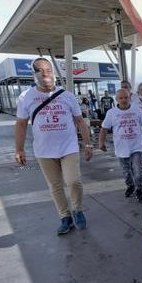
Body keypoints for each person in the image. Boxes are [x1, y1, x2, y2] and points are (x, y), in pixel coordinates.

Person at [14, 57, 93, 235]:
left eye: (48, 70)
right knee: (55, 185)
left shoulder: (67, 96)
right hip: (43, 150)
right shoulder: (26, 97)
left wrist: (88, 143)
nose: (45, 74)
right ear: (34, 74)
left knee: (73, 181)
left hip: (68, 147)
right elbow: (20, 124)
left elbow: (80, 121)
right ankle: (65, 218)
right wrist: (19, 149)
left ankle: (78, 209)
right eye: (41, 70)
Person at [98, 89, 142, 202]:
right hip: (121, 147)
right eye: (121, 98)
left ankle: (139, 189)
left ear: (129, 98)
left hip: (136, 146)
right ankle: (130, 186)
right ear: (116, 99)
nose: (124, 100)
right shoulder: (111, 113)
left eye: (126, 97)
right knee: (126, 171)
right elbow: (104, 129)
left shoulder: (137, 110)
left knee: (138, 171)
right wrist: (101, 142)